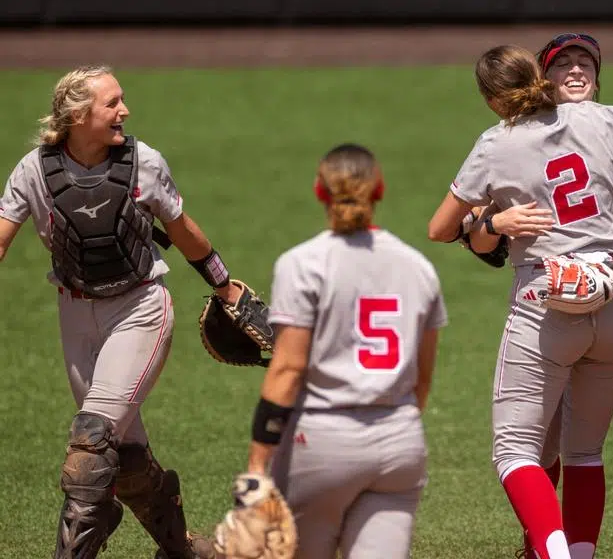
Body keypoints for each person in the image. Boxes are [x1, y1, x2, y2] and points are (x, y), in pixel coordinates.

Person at [427, 44, 613, 559]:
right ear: (542, 78)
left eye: (585, 64)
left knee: (514, 452)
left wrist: (485, 223)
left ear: (490, 99)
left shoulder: (494, 144)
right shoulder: (605, 121)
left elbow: (441, 228)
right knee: (585, 452)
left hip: (546, 300)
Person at [0, 65, 253, 558]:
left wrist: (224, 284)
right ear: (78, 115)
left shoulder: (144, 163)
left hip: (140, 309)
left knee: (90, 444)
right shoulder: (33, 171)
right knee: (126, 454)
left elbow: (182, 229)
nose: (125, 111)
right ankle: (183, 549)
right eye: (112, 103)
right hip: (75, 318)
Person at [243, 143, 447, 559]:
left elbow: (288, 369)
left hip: (321, 443)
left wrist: (257, 464)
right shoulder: (418, 267)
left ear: (320, 192)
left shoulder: (301, 263)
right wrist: (390, 425)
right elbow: (423, 379)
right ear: (380, 189)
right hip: (399, 443)